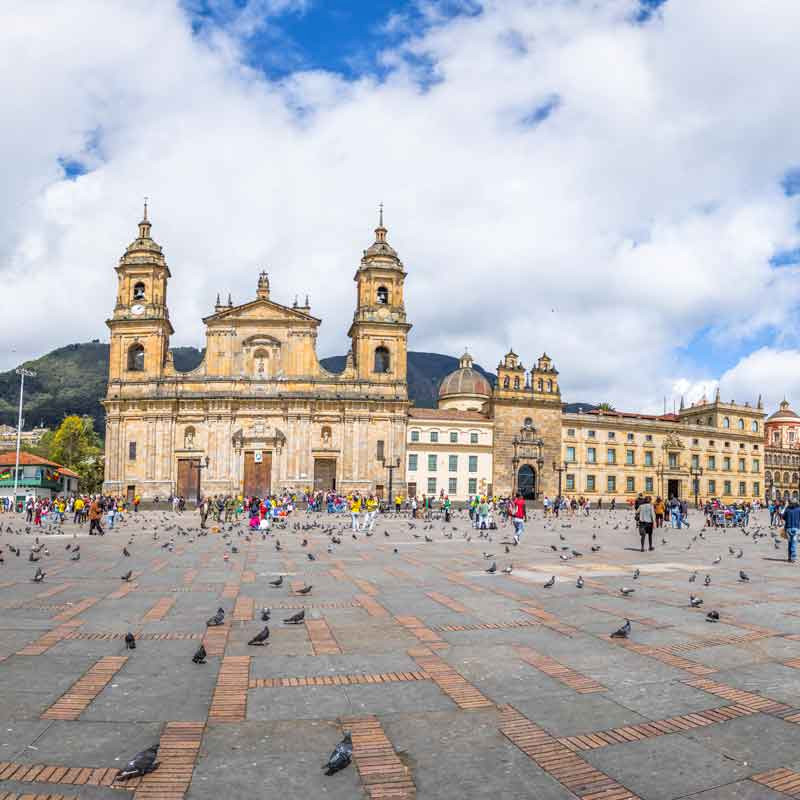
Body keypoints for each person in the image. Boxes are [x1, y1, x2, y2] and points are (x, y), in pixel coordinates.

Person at [782, 498, 800, 563]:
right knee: (794, 543)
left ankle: (789, 557)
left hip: (788, 528)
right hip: (796, 528)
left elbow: (783, 517)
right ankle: (793, 558)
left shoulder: (787, 509)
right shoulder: (799, 509)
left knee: (790, 543)